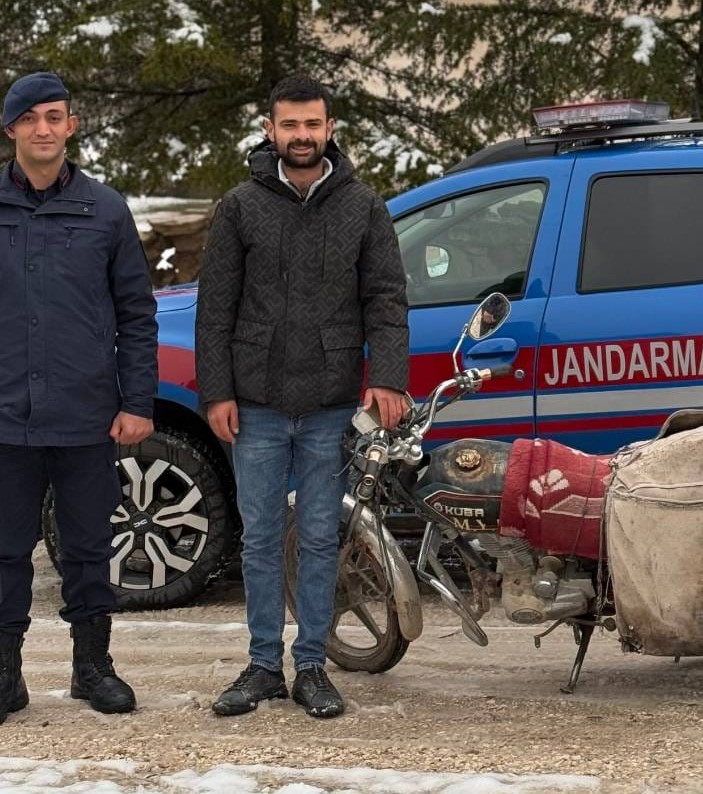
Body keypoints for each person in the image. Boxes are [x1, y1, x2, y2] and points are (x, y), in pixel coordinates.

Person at [196, 76, 409, 719]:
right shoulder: (240, 206)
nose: (302, 136)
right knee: (260, 537)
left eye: (312, 125)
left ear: (330, 129)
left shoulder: (362, 206)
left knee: (318, 536)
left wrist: (389, 377)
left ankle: (311, 665)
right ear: (270, 130)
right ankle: (263, 666)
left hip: (330, 398)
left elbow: (386, 299)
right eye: (289, 125)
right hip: (255, 401)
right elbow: (216, 308)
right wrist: (217, 392)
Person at [0, 72, 158, 731]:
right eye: (31, 117)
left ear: (71, 126)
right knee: (5, 549)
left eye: (56, 116)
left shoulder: (105, 210)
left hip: (86, 413)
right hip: (0, 412)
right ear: (11, 128)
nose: (45, 127)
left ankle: (92, 667)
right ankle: (1, 678)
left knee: (88, 546)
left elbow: (137, 315)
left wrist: (138, 401)